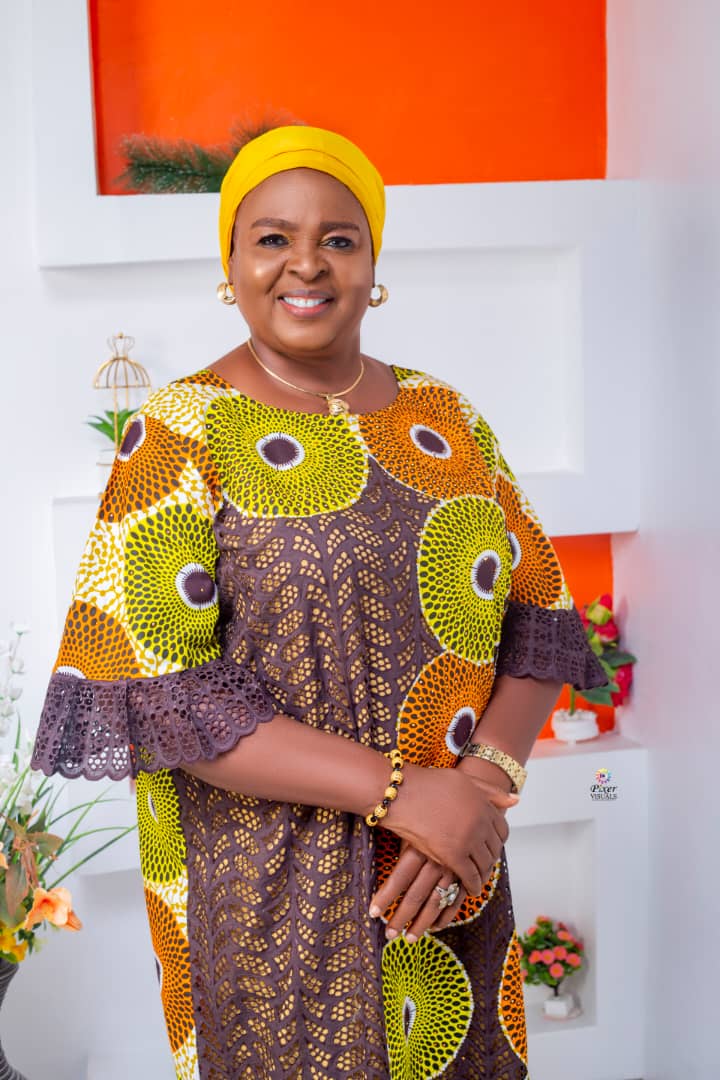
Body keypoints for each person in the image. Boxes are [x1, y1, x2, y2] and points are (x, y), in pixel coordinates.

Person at [31, 125, 606, 1080]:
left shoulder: (446, 415)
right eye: (272, 238)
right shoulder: (175, 434)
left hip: (444, 883)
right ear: (230, 263)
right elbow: (167, 701)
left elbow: (538, 621)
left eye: (339, 238)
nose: (306, 263)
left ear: (374, 265)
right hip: (265, 899)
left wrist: (477, 789)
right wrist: (408, 795)